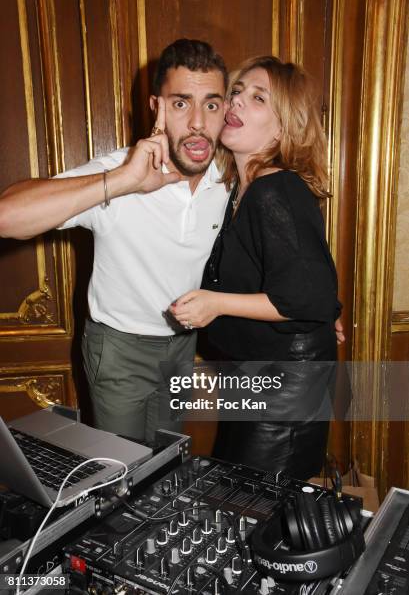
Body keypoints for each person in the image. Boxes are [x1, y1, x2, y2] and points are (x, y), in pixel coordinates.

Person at [0, 39, 230, 444]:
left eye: (211, 105)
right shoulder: (117, 172)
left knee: (165, 459)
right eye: (181, 103)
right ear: (156, 107)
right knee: (123, 471)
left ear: (225, 110)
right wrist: (124, 182)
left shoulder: (227, 177)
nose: (197, 122)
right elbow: (6, 218)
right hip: (119, 348)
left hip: (182, 346)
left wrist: (309, 310)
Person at [170, 56, 342, 479]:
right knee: (241, 490)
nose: (238, 101)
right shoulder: (242, 189)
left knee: (254, 506)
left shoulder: (274, 190)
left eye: (258, 97)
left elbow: (307, 297)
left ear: (285, 127)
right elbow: (305, 283)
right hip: (261, 371)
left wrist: (215, 303)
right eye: (238, 90)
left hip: (287, 383)